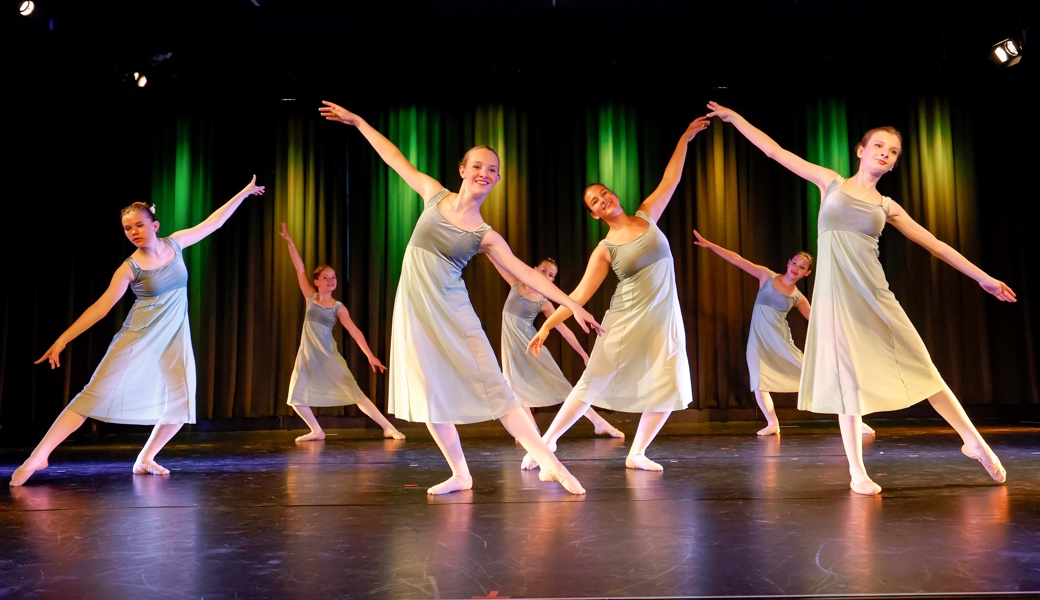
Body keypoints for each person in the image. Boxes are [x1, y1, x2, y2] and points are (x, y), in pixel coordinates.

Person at [705, 100, 1015, 495]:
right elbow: (774, 151)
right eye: (879, 146)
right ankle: (857, 472)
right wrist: (735, 119)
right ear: (861, 150)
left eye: (893, 152)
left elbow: (935, 244)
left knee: (923, 365)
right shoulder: (830, 183)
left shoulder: (887, 206)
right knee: (847, 382)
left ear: (893, 163)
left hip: (875, 295)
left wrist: (983, 278)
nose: (885, 153)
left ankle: (973, 441)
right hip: (836, 303)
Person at [319, 100, 605, 495]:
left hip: (453, 311)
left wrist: (573, 304)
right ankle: (460, 473)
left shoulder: (485, 235)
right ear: (462, 170)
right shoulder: (433, 195)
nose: (484, 173)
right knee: (429, 392)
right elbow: (394, 158)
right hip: (416, 311)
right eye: (477, 166)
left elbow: (527, 274)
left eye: (492, 170)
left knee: (496, 387)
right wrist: (358, 121)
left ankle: (550, 462)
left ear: (497, 179)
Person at [11, 176, 266, 486]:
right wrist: (62, 339)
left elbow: (213, 223)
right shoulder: (130, 267)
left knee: (182, 402)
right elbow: (100, 308)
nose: (133, 232)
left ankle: (145, 458)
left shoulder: (176, 243)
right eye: (127, 228)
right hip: (138, 338)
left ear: (154, 225)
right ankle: (39, 456)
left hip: (172, 339)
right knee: (93, 394)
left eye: (139, 226)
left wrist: (242, 193)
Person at [523, 116, 711, 472]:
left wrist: (684, 138)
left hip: (663, 320)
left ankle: (637, 452)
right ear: (594, 214)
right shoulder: (605, 248)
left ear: (615, 195)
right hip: (625, 320)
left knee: (670, 386)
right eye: (595, 201)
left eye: (604, 193)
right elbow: (576, 295)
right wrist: (547, 327)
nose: (602, 199)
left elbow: (671, 179)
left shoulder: (648, 216)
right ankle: (547, 442)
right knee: (592, 381)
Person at [692, 230, 877, 437]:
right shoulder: (766, 276)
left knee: (814, 378)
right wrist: (711, 246)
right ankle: (773, 423)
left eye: (802, 267)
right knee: (759, 383)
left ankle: (854, 419)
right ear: (789, 263)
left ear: (807, 273)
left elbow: (818, 321)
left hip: (780, 341)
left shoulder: (798, 297)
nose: (796, 268)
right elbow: (738, 259)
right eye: (795, 263)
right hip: (758, 342)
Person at [278, 223, 405, 443]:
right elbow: (299, 268)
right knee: (295, 399)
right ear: (317, 282)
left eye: (333, 277)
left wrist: (369, 355)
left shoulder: (338, 307)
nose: (330, 280)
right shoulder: (309, 297)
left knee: (356, 393)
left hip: (328, 357)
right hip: (307, 356)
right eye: (325, 278)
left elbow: (355, 332)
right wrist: (290, 242)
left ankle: (388, 427)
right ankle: (317, 431)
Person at [486, 255, 625, 439]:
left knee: (561, 385)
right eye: (543, 271)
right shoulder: (516, 284)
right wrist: (485, 247)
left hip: (531, 346)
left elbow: (565, 331)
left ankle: (598, 422)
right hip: (511, 347)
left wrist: (583, 354)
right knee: (514, 387)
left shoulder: (544, 303)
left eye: (551, 275)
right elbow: (499, 260)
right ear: (534, 269)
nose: (547, 276)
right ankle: (532, 432)